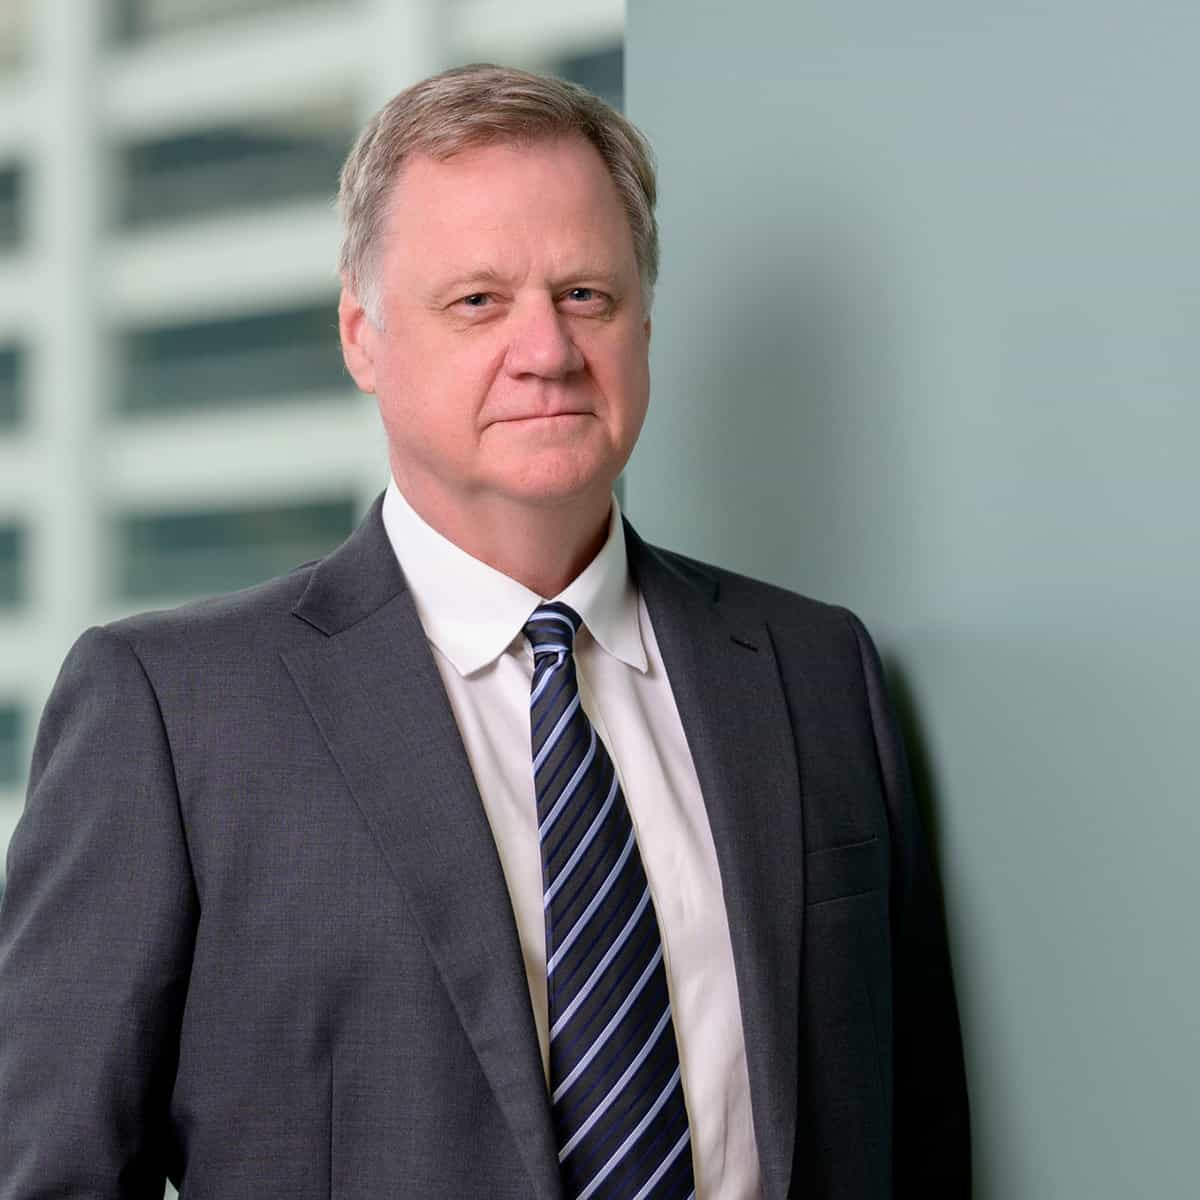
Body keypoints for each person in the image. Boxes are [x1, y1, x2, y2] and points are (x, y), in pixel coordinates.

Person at [0, 65, 969, 1199]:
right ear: (363, 337)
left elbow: (917, 1136)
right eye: (476, 302)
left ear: (642, 324)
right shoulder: (170, 714)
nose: (547, 351)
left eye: (585, 297)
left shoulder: (817, 676)